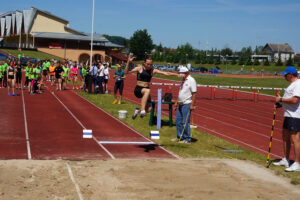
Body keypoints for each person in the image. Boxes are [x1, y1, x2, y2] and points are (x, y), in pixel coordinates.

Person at [125, 53, 184, 118]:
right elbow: (126, 72)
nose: (149, 66)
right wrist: (128, 61)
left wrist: (177, 74)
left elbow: (166, 73)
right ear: (144, 63)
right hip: (138, 90)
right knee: (147, 91)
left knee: (149, 109)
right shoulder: (139, 68)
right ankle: (142, 110)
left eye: (151, 64)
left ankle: (138, 110)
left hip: (146, 90)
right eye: (148, 64)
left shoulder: (153, 70)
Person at [273, 66, 300, 172]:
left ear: (291, 74)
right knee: (285, 137)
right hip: (288, 115)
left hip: (295, 116)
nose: (284, 76)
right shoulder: (292, 85)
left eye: (285, 74)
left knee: (295, 139)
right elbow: (288, 100)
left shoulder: (298, 84)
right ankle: (286, 159)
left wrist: (281, 99)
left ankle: (297, 163)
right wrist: (280, 104)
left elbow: (294, 100)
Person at [172, 66, 197, 144]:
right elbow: (180, 93)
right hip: (180, 103)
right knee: (178, 121)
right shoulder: (183, 80)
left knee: (185, 122)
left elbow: (194, 93)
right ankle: (180, 137)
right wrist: (176, 103)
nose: (179, 74)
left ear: (185, 73)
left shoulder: (191, 80)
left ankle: (187, 139)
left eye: (180, 73)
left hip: (187, 103)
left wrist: (192, 105)